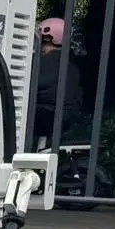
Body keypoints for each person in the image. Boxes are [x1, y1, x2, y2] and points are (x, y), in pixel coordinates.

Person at [29, 17, 86, 147]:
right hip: (67, 116)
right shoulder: (71, 64)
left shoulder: (43, 62)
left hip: (46, 114)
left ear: (48, 39)